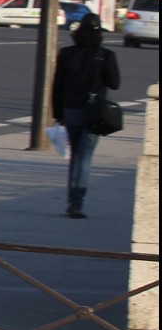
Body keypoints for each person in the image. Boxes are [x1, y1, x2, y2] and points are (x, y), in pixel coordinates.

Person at [52, 18, 122, 219]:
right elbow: (115, 83)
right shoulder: (106, 55)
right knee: (85, 157)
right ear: (100, 34)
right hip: (94, 112)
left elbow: (58, 86)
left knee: (75, 155)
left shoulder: (66, 54)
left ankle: (72, 200)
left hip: (71, 109)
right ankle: (77, 201)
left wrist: (58, 114)